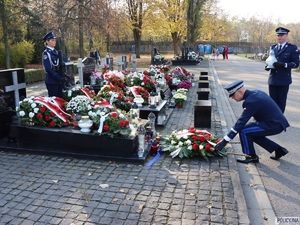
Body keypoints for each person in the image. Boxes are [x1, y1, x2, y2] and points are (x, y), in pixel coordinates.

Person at [214, 80, 290, 163]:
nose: (232, 98)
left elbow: (241, 122)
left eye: (232, 95)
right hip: (275, 122)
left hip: (274, 124)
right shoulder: (256, 93)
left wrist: (225, 140)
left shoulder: (251, 101)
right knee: (250, 132)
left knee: (244, 131)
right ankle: (279, 150)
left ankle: (251, 156)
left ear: (239, 91)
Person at [265, 27, 299, 113]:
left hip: (284, 79)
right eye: (278, 35)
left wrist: (284, 65)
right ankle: (273, 121)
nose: (279, 37)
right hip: (273, 79)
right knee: (272, 102)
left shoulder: (291, 48)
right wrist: (267, 66)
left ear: (286, 35)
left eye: (281, 35)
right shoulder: (273, 47)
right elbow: (270, 60)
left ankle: (279, 122)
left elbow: (296, 63)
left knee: (281, 102)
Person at [42, 31, 64, 98]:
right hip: (52, 80)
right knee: (53, 101)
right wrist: (56, 76)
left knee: (60, 100)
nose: (55, 42)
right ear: (47, 41)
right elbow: (48, 68)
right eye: (52, 40)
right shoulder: (46, 53)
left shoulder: (57, 52)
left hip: (59, 80)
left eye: (55, 40)